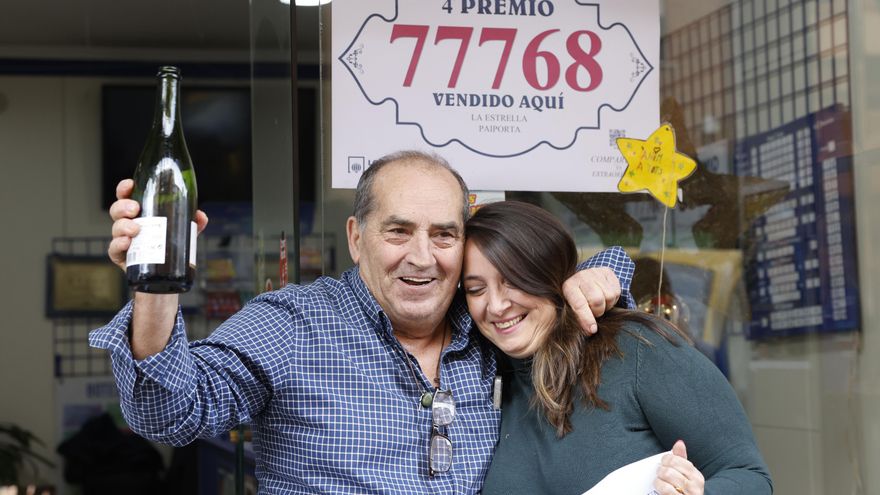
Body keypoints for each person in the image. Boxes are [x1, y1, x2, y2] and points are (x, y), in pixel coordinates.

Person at [90, 150, 635, 493]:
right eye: (398, 232)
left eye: (443, 235)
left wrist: (597, 278)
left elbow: (598, 274)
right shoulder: (293, 325)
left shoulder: (489, 325)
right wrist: (155, 284)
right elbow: (169, 414)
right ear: (356, 237)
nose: (423, 257)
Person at [462, 201, 773, 495]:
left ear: (551, 278)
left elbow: (749, 476)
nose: (496, 306)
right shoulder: (484, 377)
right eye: (476, 290)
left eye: (513, 281)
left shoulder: (637, 349)